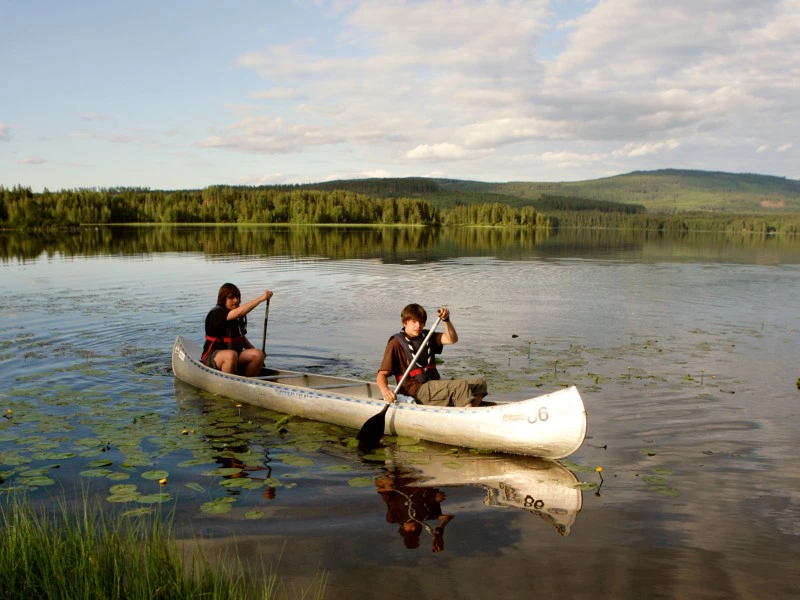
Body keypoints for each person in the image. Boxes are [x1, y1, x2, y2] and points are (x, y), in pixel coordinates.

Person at [377, 303, 487, 407]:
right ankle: (467, 417)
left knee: (479, 383)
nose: (418, 326)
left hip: (433, 384)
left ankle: (467, 410)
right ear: (405, 322)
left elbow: (452, 339)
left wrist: (446, 320)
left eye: (421, 322)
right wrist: (385, 391)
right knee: (460, 386)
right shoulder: (395, 343)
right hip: (415, 391)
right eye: (413, 322)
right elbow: (381, 375)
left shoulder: (426, 336)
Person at [202, 283, 273, 376]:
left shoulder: (238, 317)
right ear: (223, 299)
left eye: (237, 297)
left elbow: (241, 338)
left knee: (258, 354)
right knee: (231, 355)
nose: (236, 301)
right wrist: (260, 299)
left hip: (235, 355)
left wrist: (259, 355)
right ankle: (228, 384)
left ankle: (247, 383)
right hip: (213, 356)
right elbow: (238, 313)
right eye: (231, 298)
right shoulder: (217, 312)